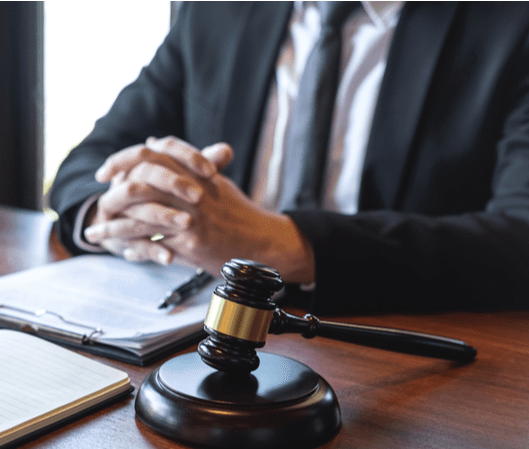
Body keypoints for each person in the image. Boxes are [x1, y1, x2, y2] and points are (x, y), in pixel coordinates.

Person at [48, 2, 529, 314]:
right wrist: (115, 210)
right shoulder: (217, 12)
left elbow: (518, 238)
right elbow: (87, 164)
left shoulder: (510, 26)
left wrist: (291, 246)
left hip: (397, 353)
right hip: (197, 329)